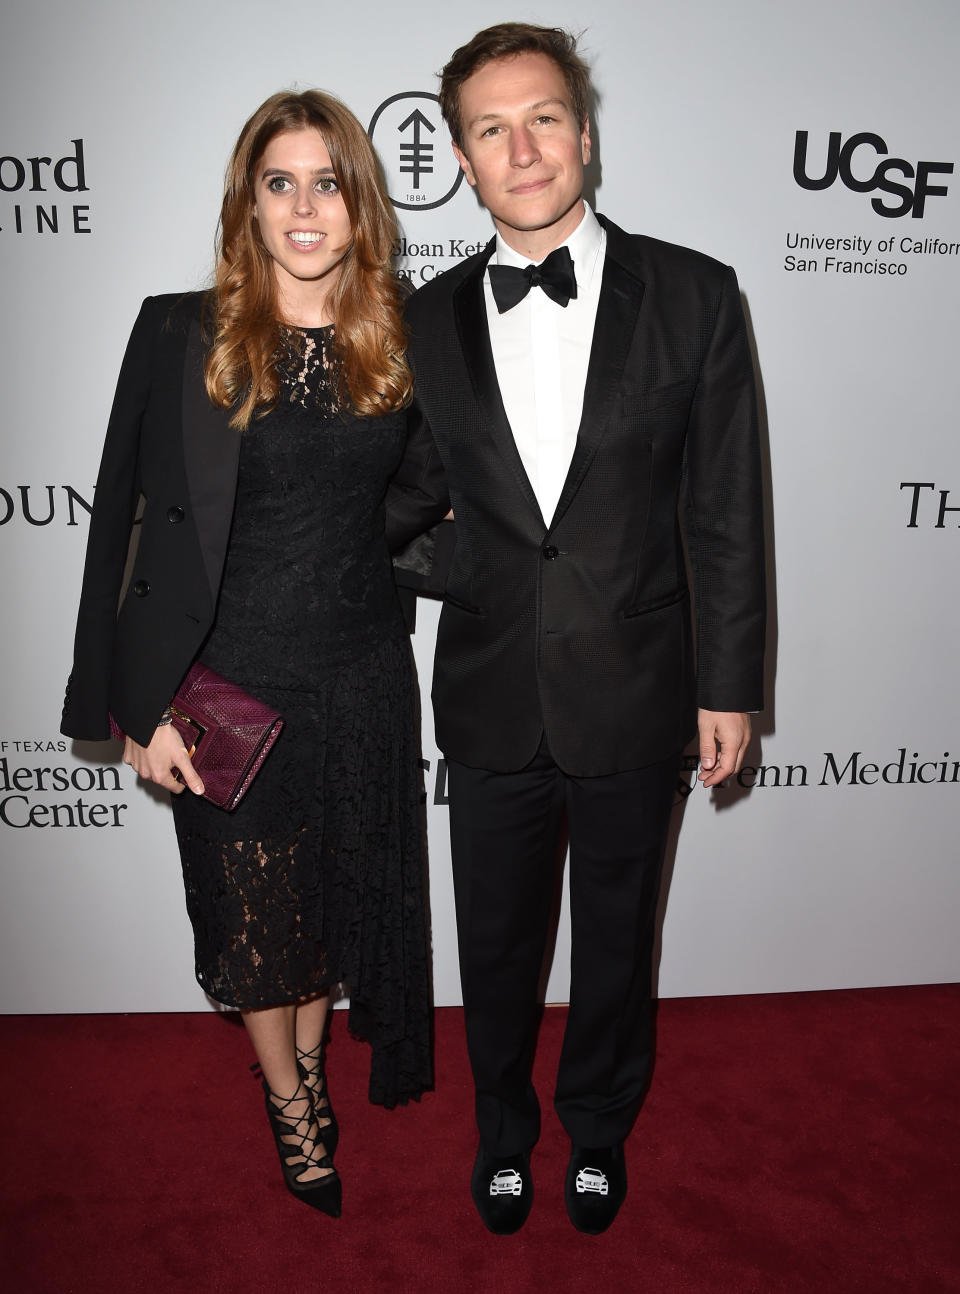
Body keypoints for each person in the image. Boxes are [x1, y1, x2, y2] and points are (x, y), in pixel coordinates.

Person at [386, 23, 766, 1235]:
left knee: (617, 941)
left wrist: (730, 683)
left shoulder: (697, 294)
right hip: (493, 689)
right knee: (493, 945)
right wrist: (486, 575)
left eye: (542, 116)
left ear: (585, 133)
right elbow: (381, 507)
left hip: (642, 685)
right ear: (459, 157)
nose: (522, 146)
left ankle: (596, 1128)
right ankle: (505, 1130)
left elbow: (726, 509)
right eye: (490, 128)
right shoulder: (420, 320)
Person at [61, 90, 439, 1217]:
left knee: (322, 912)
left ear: (360, 202)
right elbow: (120, 518)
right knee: (255, 920)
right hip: (224, 683)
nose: (306, 205)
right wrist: (134, 707)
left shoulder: (402, 336)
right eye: (281, 182)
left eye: (328, 181)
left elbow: (428, 496)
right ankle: (289, 1097)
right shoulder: (178, 330)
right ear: (249, 202)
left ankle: (311, 1066)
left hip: (360, 671)